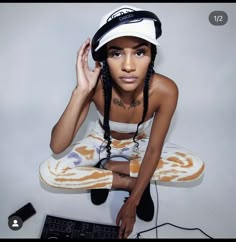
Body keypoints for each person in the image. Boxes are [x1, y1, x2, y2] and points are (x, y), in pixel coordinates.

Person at [39, 5, 205, 239]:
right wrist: (81, 91)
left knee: (194, 167)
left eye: (139, 52)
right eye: (116, 53)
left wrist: (132, 204)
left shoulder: (166, 90)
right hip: (101, 140)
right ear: (104, 57)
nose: (128, 66)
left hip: (142, 144)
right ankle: (128, 182)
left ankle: (110, 169)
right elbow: (57, 146)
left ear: (151, 56)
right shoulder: (94, 87)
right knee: (49, 173)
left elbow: (155, 149)